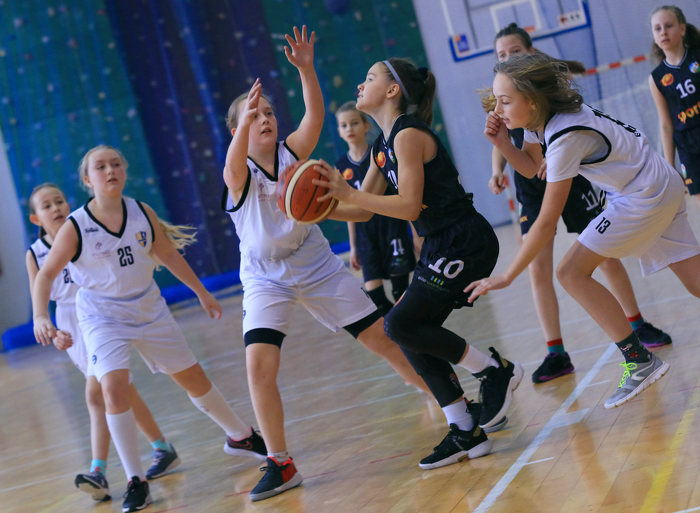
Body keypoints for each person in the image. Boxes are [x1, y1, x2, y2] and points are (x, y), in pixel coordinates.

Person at [221, 26, 430, 502]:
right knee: (259, 367)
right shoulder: (238, 171)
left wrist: (306, 70)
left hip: (313, 261)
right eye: (254, 116)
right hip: (264, 276)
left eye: (269, 112)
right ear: (237, 132)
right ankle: (280, 462)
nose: (265, 119)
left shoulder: (291, 153)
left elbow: (314, 116)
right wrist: (244, 123)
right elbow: (232, 166)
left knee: (381, 339)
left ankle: (444, 396)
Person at [314, 57, 523, 471]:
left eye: (369, 77)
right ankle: (464, 428)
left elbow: (408, 206)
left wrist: (348, 193)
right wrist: (314, 211)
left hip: (463, 240)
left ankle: (493, 371)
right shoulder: (381, 147)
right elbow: (363, 211)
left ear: (393, 90)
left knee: (399, 324)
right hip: (441, 245)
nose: (360, 84)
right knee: (407, 330)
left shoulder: (408, 134)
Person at [32, 146, 266, 513]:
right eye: (100, 167)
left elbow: (168, 253)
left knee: (193, 378)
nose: (110, 170)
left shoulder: (142, 212)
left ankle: (241, 435)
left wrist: (201, 291)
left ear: (125, 171)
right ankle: (135, 479)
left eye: (115, 164)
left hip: (147, 307)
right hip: (101, 314)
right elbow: (46, 274)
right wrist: (40, 316)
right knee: (112, 388)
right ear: (88, 180)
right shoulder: (76, 226)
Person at [466, 53, 700, 409]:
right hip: (656, 181)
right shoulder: (543, 119)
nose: (497, 110)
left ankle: (639, 360)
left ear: (532, 100)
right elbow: (531, 168)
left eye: (505, 101)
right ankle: (639, 359)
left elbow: (546, 222)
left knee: (570, 272)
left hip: (641, 195)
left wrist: (507, 275)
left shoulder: (564, 138)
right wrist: (503, 145)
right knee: (696, 283)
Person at [489, 23, 672, 384]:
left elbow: (559, 145)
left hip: (587, 180)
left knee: (594, 260)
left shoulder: (550, 111)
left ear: (531, 54)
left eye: (514, 51)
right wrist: (499, 157)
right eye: (501, 54)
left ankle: (637, 330)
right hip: (539, 184)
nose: (507, 58)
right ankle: (556, 352)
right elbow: (526, 161)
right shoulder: (514, 102)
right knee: (543, 268)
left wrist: (506, 275)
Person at [26, 183, 185, 502]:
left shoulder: (82, 229)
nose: (56, 208)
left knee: (97, 394)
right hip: (71, 323)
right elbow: (40, 298)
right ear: (35, 219)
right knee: (119, 391)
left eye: (60, 201)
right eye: (47, 205)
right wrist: (52, 330)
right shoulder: (34, 254)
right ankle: (161, 448)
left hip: (99, 313)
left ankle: (98, 470)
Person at [335, 100, 415, 316]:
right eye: (343, 125)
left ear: (366, 125)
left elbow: (403, 194)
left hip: (391, 228)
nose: (349, 129)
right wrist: (353, 246)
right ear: (339, 131)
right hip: (365, 237)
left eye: (354, 123)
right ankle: (398, 330)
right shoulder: (340, 167)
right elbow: (350, 210)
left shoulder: (379, 154)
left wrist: (415, 233)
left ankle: (410, 328)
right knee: (376, 299)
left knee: (400, 293)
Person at [649, 5, 700, 207]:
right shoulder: (657, 78)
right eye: (657, 28)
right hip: (689, 148)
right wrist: (669, 167)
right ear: (654, 36)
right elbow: (666, 125)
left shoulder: (697, 57)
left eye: (668, 26)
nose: (663, 32)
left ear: (682, 29)